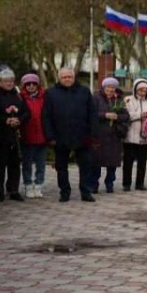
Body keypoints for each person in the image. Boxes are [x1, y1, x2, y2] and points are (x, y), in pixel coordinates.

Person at [42, 67, 97, 202]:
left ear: (74, 77)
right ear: (59, 78)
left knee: (85, 165)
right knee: (61, 166)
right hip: (60, 136)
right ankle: (64, 192)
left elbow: (92, 113)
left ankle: (86, 191)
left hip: (82, 136)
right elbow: (46, 116)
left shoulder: (84, 91)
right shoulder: (51, 93)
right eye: (64, 77)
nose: (67, 79)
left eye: (69, 77)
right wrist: (50, 136)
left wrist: (92, 134)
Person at [0, 68, 30, 202]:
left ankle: (13, 190)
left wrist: (19, 120)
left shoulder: (18, 96)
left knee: (14, 163)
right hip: (0, 135)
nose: (9, 83)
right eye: (6, 81)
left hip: (15, 135)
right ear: (0, 82)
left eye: (11, 81)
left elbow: (27, 112)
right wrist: (5, 120)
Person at [90, 77, 130, 194]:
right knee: (96, 162)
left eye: (113, 87)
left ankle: (109, 183)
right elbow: (91, 114)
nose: (110, 89)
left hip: (114, 136)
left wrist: (117, 117)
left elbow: (126, 116)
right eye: (108, 87)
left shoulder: (119, 100)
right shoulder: (96, 98)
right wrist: (105, 115)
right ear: (103, 87)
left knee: (112, 163)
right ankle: (94, 184)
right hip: (99, 135)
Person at [123, 79, 147, 192]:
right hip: (131, 135)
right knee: (128, 161)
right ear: (135, 89)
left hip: (144, 136)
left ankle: (140, 183)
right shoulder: (128, 100)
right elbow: (125, 115)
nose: (143, 92)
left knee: (142, 161)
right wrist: (139, 115)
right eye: (140, 90)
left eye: (145, 90)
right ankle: (126, 184)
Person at [19, 74, 47, 198]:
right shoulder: (20, 98)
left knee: (41, 164)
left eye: (33, 84)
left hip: (42, 135)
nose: (31, 86)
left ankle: (39, 184)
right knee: (27, 163)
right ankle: (28, 185)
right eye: (28, 84)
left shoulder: (44, 97)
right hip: (27, 135)